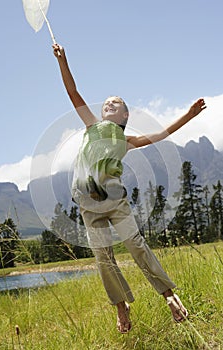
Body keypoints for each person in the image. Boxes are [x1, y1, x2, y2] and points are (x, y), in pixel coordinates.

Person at [52, 43, 206, 333]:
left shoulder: (127, 141)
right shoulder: (92, 126)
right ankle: (121, 305)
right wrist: (63, 61)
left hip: (115, 201)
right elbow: (73, 92)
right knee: (103, 257)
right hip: (88, 201)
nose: (110, 104)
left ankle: (168, 294)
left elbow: (161, 135)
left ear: (124, 117)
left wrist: (189, 116)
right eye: (107, 102)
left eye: (117, 103)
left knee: (136, 246)